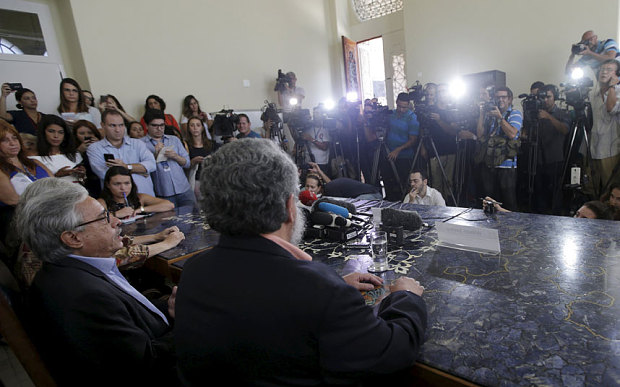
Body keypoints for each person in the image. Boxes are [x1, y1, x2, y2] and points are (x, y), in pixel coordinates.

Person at [174, 139, 427, 385]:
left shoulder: (194, 271)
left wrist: (334, 287)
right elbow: (395, 351)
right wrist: (406, 297)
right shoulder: (318, 291)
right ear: (289, 207)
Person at [14, 178, 179, 385]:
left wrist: (170, 307)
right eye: (103, 218)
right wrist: (190, 323)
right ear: (73, 238)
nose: (116, 221)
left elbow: (129, 316)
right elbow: (148, 363)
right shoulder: (83, 295)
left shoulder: (72, 269)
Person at [0, 121, 52, 239]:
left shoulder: (34, 162)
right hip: (22, 222)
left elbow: (57, 186)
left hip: (50, 214)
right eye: (4, 140)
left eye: (15, 138)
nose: (12, 143)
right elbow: (13, 200)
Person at [87, 109, 157, 196]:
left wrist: (126, 166)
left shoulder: (138, 143)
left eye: (121, 125)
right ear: (103, 125)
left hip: (146, 196)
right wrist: (139, 170)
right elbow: (105, 175)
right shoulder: (94, 148)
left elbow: (151, 165)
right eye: (112, 125)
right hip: (117, 201)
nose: (118, 130)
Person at [476, 86, 523, 211]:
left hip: (506, 166)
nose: (501, 100)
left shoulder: (515, 113)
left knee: (509, 202)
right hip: (489, 164)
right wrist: (481, 114)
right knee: (490, 202)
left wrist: (500, 118)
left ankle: (512, 229)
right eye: (498, 97)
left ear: (510, 99)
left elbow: (512, 134)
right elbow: (480, 134)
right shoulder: (490, 115)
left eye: (504, 97)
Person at [141, 109, 195, 207]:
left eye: (162, 125)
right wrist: (154, 156)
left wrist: (175, 156)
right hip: (163, 193)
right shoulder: (141, 144)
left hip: (184, 189)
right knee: (170, 221)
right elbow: (143, 171)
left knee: (194, 218)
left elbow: (187, 163)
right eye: (155, 125)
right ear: (146, 125)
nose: (159, 129)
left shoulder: (174, 140)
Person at [532, 84, 571, 214]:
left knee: (555, 195)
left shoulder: (562, 113)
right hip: (537, 160)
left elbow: (565, 130)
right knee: (539, 195)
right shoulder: (536, 113)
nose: (546, 100)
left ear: (555, 97)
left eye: (548, 97)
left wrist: (548, 117)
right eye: (543, 97)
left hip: (554, 159)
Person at [590, 59, 620, 195]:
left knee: (610, 189)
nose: (604, 72)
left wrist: (612, 87)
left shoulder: (618, 91)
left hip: (610, 149)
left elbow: (611, 108)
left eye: (609, 70)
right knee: (593, 188)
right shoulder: (593, 93)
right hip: (594, 148)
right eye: (602, 69)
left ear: (617, 74)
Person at [382, 92, 420, 201]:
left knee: (403, 183)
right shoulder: (391, 114)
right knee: (388, 180)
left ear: (408, 105)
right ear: (396, 102)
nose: (401, 109)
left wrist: (398, 150)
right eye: (399, 106)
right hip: (389, 153)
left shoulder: (412, 118)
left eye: (404, 107)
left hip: (404, 156)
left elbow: (413, 140)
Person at [98, 166, 174, 218]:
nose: (123, 188)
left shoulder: (140, 197)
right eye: (117, 184)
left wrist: (142, 209)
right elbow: (96, 221)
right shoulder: (102, 202)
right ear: (108, 184)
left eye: (127, 183)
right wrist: (116, 214)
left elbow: (169, 205)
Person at [425, 83, 458, 204]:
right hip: (433, 151)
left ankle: (449, 207)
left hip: (449, 151)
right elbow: (424, 129)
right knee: (436, 184)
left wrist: (439, 120)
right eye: (439, 92)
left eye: (444, 91)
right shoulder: (430, 110)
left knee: (448, 182)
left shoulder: (452, 110)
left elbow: (453, 131)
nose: (441, 94)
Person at [29, 115, 85, 183]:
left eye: (60, 132)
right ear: (43, 133)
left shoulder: (75, 155)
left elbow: (83, 180)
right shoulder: (34, 158)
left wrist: (82, 174)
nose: (56, 136)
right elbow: (35, 184)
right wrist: (57, 175)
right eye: (51, 131)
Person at [307, 162, 382, 200]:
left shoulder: (330, 189)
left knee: (353, 206)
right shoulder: (331, 187)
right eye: (307, 186)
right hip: (369, 194)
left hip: (374, 195)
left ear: (320, 188)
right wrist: (319, 171)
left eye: (312, 187)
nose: (309, 189)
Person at [185, 116, 215, 199]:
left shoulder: (212, 144)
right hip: (195, 180)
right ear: (188, 128)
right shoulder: (185, 145)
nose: (195, 128)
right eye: (192, 125)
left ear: (202, 128)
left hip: (211, 179)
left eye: (198, 125)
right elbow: (184, 166)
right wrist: (193, 161)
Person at [73, 120, 103, 197]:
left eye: (90, 133)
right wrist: (79, 151)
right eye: (82, 133)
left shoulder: (102, 145)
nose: (86, 136)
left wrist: (99, 146)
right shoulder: (71, 148)